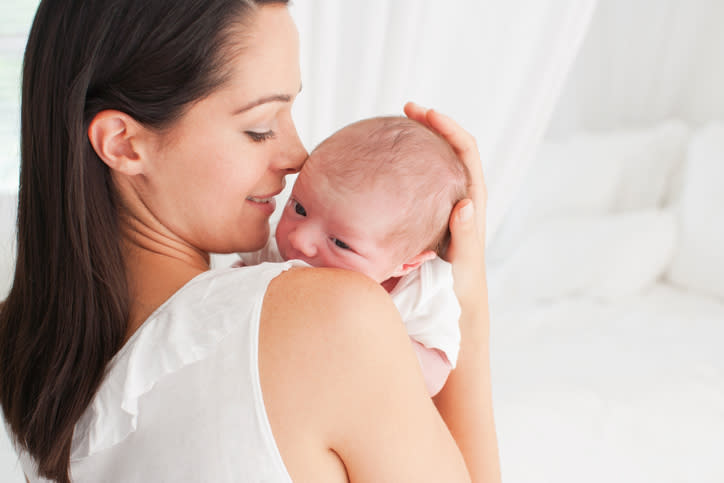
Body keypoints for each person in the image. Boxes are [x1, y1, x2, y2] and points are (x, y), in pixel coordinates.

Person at [0, 1, 500, 482]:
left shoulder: (24, 348)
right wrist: (467, 301)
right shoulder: (333, 316)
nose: (298, 154)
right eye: (260, 128)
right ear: (124, 144)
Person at [238, 115, 470, 397]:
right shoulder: (277, 251)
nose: (300, 239)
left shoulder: (421, 292)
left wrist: (372, 336)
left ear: (406, 263)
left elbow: (434, 376)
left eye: (339, 242)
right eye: (299, 209)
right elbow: (233, 282)